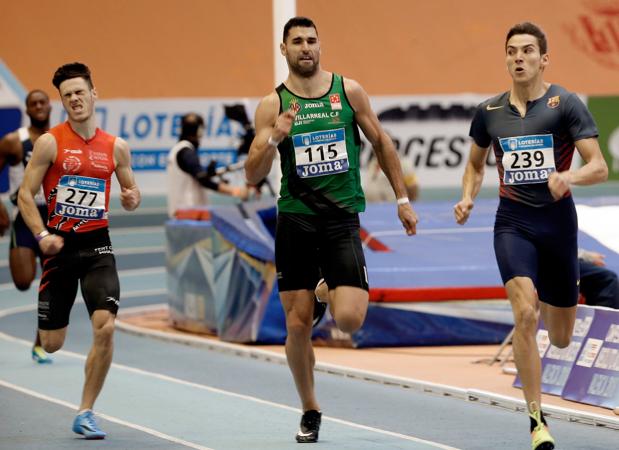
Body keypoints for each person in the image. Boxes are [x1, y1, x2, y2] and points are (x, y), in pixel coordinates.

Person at [244, 16, 418, 443]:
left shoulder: (348, 91)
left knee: (350, 318)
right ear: (283, 50)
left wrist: (401, 199)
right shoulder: (272, 105)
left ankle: (325, 290)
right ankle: (310, 408)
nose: (306, 47)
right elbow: (252, 174)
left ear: (320, 47)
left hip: (341, 219)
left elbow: (381, 142)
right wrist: (274, 138)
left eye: (312, 41)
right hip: (296, 221)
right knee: (298, 325)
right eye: (297, 42)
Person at [454, 23, 608, 450]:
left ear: (544, 59)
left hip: (558, 225)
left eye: (526, 51)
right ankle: (537, 420)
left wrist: (569, 176)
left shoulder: (565, 105)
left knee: (559, 336)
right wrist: (467, 197)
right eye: (511, 51)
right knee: (525, 313)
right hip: (512, 223)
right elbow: (475, 164)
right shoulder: (489, 113)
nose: (518, 58)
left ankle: (569, 280)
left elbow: (599, 166)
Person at [17, 62, 141, 439]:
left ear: (93, 94)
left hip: (98, 246)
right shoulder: (50, 142)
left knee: (105, 328)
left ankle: (86, 411)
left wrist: (131, 197)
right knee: (52, 344)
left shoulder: (116, 147)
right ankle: (54, 318)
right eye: (67, 94)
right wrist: (41, 236)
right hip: (58, 247)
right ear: (62, 101)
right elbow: (25, 194)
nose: (74, 99)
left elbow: (130, 195)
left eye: (80, 92)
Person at [0, 89, 53, 363]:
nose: (39, 106)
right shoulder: (13, 141)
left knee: (52, 284)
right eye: (34, 103)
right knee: (22, 282)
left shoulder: (59, 139)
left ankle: (39, 343)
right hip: (24, 217)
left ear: (50, 107)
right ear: (27, 109)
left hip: (54, 219)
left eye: (43, 102)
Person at [166, 112, 249, 218]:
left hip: (181, 213)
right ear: (199, 131)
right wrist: (235, 191)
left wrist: (207, 174)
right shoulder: (187, 152)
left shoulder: (177, 150)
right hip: (189, 214)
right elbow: (202, 179)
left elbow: (199, 176)